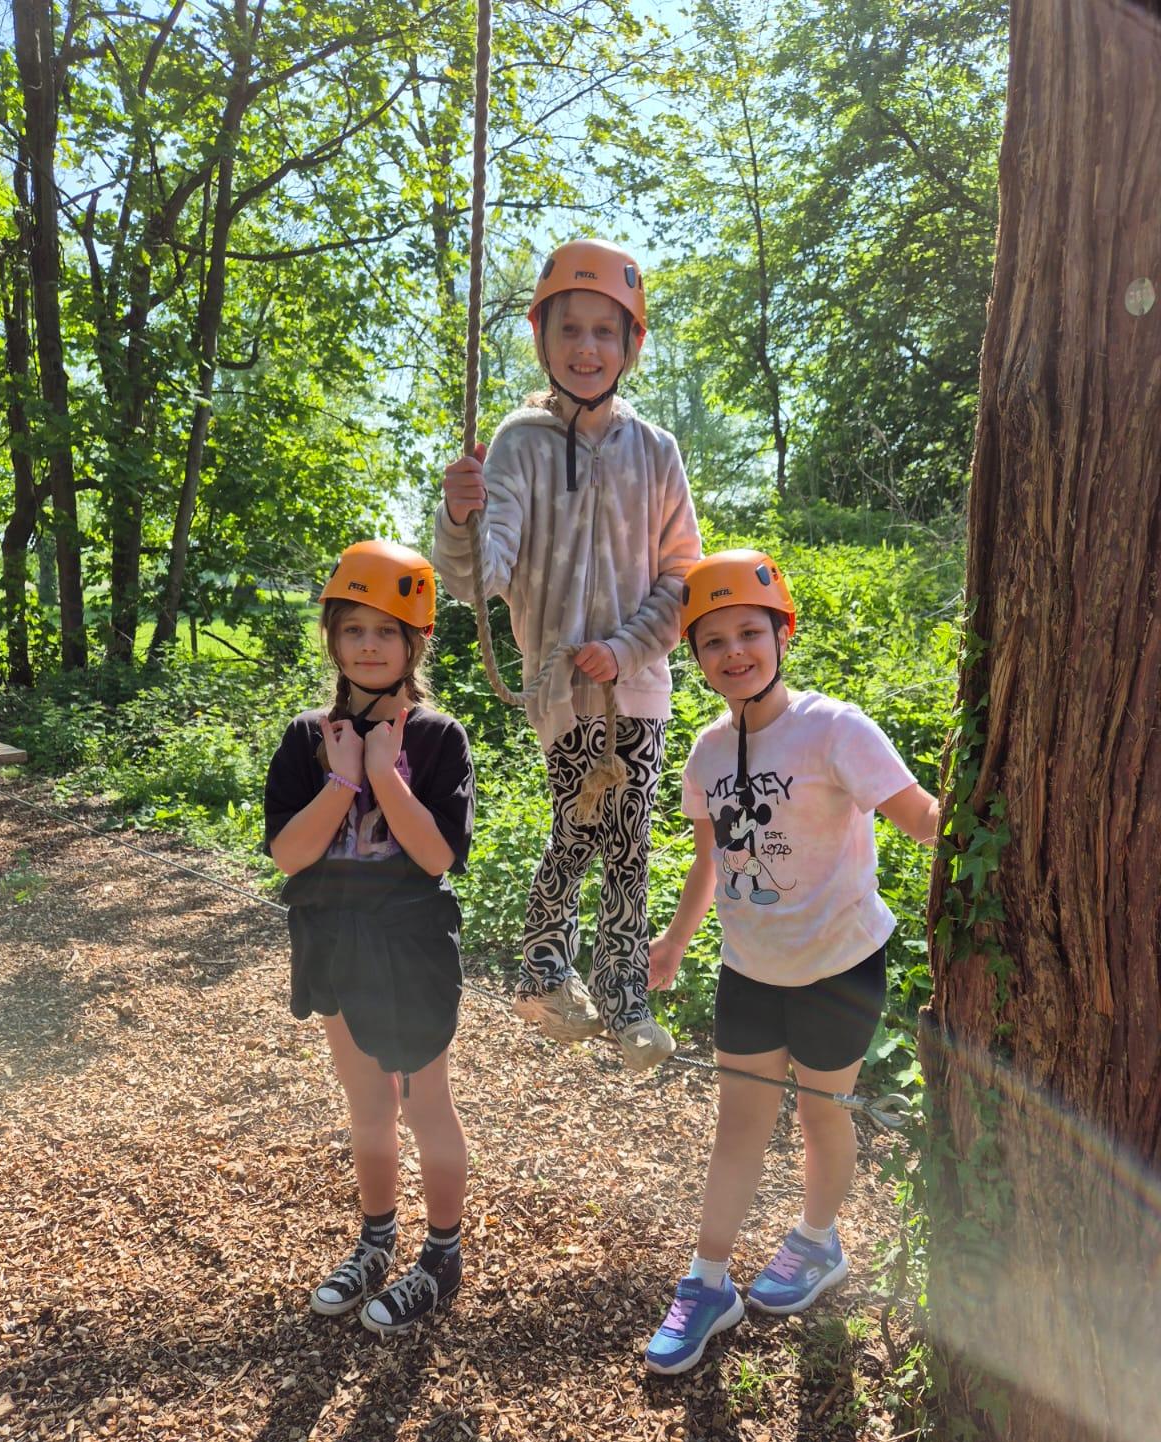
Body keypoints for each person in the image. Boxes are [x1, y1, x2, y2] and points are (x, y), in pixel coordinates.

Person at [643, 550, 939, 1374]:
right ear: (695, 657)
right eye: (713, 641)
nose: (733, 652)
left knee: (819, 1114)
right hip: (749, 968)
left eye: (749, 632)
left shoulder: (835, 728)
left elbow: (922, 819)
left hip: (839, 966)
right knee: (737, 1126)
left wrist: (997, 829)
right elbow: (710, 858)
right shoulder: (706, 753)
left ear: (783, 634)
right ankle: (708, 1283)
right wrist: (676, 939)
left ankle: (817, 1241)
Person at [434, 239, 702, 1073]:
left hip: (637, 683)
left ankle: (622, 998)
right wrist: (460, 517)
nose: (587, 348)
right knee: (580, 827)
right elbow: (480, 576)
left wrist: (626, 649)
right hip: (559, 688)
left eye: (604, 332)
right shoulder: (519, 443)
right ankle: (547, 973)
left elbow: (683, 575)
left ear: (631, 345)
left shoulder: (656, 450)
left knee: (630, 840)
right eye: (570, 330)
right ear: (541, 337)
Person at [264, 541, 474, 1335]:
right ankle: (377, 1239)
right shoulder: (306, 737)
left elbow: (437, 855)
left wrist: (386, 774)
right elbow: (289, 854)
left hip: (410, 950)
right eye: (353, 629)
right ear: (333, 639)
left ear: (415, 642)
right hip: (332, 943)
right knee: (367, 1105)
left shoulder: (439, 737)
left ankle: (442, 1254)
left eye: (387, 630)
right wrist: (345, 778)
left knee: (424, 1105)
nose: (369, 645)